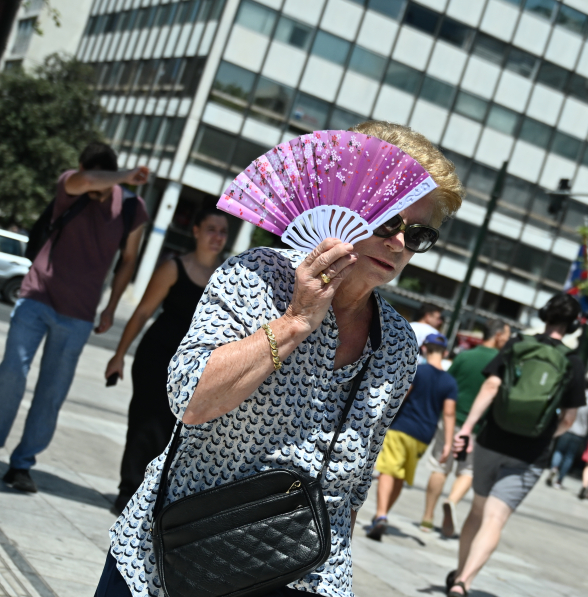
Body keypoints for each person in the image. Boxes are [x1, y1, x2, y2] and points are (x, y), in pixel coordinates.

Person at [93, 121, 464, 597]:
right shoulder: (257, 276)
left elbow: (354, 480)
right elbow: (191, 399)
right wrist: (293, 322)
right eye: (388, 221)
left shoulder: (396, 342)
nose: (398, 244)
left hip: (299, 572)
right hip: (173, 554)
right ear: (347, 201)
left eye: (418, 235)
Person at [0, 143, 149, 493]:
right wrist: (124, 176)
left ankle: (22, 464)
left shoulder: (131, 207)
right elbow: (85, 180)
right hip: (37, 295)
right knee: (12, 371)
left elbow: (129, 258)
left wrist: (111, 306)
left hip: (79, 314)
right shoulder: (71, 183)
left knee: (52, 391)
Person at [447, 293, 585, 597]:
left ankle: (458, 571)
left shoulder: (517, 343)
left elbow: (492, 385)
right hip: (530, 453)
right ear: (573, 325)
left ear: (544, 315)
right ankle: (464, 582)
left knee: (478, 511)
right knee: (496, 518)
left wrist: (468, 428)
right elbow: (570, 417)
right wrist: (549, 435)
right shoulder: (573, 362)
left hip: (491, 440)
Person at [104, 207, 229, 514]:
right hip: (157, 357)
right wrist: (119, 355)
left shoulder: (227, 276)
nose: (218, 237)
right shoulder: (173, 267)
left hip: (200, 366)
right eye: (212, 229)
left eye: (223, 232)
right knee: (146, 423)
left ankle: (156, 495)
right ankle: (128, 489)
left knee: (179, 431)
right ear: (196, 230)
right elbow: (143, 312)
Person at [420, 320, 511, 537]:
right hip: (478, 426)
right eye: (507, 335)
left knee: (440, 466)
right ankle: (451, 501)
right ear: (498, 336)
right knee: (469, 471)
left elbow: (447, 383)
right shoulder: (502, 363)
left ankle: (427, 517)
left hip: (451, 418)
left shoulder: (465, 356)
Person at [366, 333, 458, 541]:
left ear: (424, 349)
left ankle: (381, 514)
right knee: (400, 476)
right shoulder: (450, 383)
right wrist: (448, 443)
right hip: (423, 436)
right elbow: (449, 413)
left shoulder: (418, 371)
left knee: (388, 471)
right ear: (444, 353)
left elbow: (401, 396)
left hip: (401, 427)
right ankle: (381, 515)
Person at [546, 380, 588, 490]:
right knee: (569, 456)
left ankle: (554, 468)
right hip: (580, 432)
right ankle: (559, 480)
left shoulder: (574, 395)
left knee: (559, 451)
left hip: (565, 429)